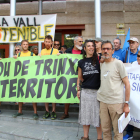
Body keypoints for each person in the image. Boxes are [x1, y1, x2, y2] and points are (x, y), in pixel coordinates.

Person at [97, 40, 130, 140]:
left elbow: (127, 84)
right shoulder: (101, 64)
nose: (106, 51)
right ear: (101, 51)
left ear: (112, 51)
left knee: (118, 131)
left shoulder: (119, 64)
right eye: (104, 49)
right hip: (103, 102)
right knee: (106, 130)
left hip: (116, 103)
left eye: (108, 49)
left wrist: (126, 103)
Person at [77, 39, 102, 140]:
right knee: (85, 115)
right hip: (86, 92)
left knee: (98, 117)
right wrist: (78, 89)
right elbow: (80, 77)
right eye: (89, 46)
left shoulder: (99, 59)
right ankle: (85, 136)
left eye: (93, 46)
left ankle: (99, 138)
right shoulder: (81, 62)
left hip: (98, 92)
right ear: (84, 48)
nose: (91, 47)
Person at [12, 40, 39, 120]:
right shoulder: (18, 54)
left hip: (30, 77)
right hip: (21, 77)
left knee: (32, 94)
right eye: (24, 44)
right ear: (22, 45)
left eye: (26, 44)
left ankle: (35, 112)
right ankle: (19, 111)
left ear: (28, 45)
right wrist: (14, 59)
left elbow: (36, 64)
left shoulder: (32, 54)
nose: (25, 45)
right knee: (20, 94)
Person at [59, 36, 83, 120]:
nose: (81, 43)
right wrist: (59, 55)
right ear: (75, 42)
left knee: (80, 95)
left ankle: (82, 115)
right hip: (69, 76)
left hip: (80, 76)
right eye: (80, 41)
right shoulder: (68, 51)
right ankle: (65, 113)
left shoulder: (84, 51)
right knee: (67, 93)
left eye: (82, 41)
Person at [40, 35, 59, 120]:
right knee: (46, 94)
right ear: (44, 42)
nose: (47, 43)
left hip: (53, 75)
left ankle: (53, 111)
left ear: (52, 42)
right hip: (44, 75)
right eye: (46, 41)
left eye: (49, 41)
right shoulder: (42, 51)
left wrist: (59, 55)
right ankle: (47, 111)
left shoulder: (55, 50)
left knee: (53, 94)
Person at [123, 51, 140, 140]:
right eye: (138, 56)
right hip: (133, 96)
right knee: (131, 113)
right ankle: (129, 133)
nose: (138, 58)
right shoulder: (133, 64)